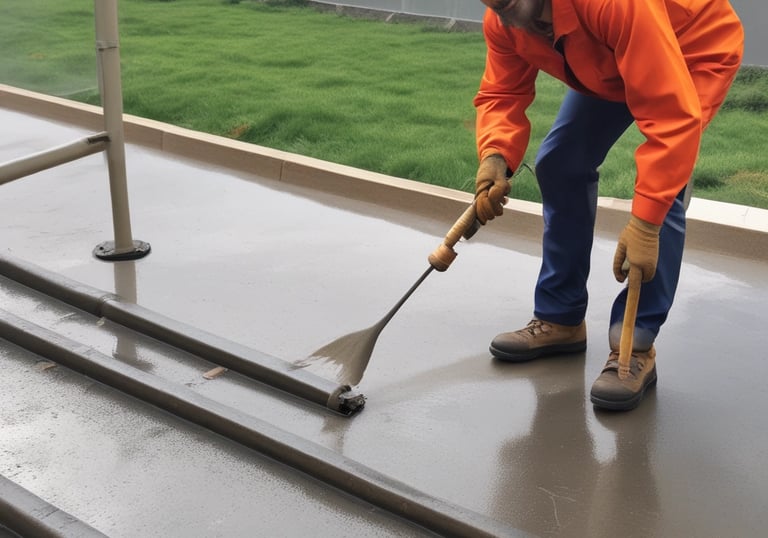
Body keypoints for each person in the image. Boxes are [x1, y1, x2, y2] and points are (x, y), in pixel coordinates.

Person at [473, 0, 744, 410]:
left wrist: (645, 224)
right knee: (560, 163)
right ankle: (560, 317)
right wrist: (495, 155)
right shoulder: (505, 18)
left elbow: (670, 119)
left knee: (661, 189)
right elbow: (503, 91)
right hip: (613, 59)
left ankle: (635, 347)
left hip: (691, 49)